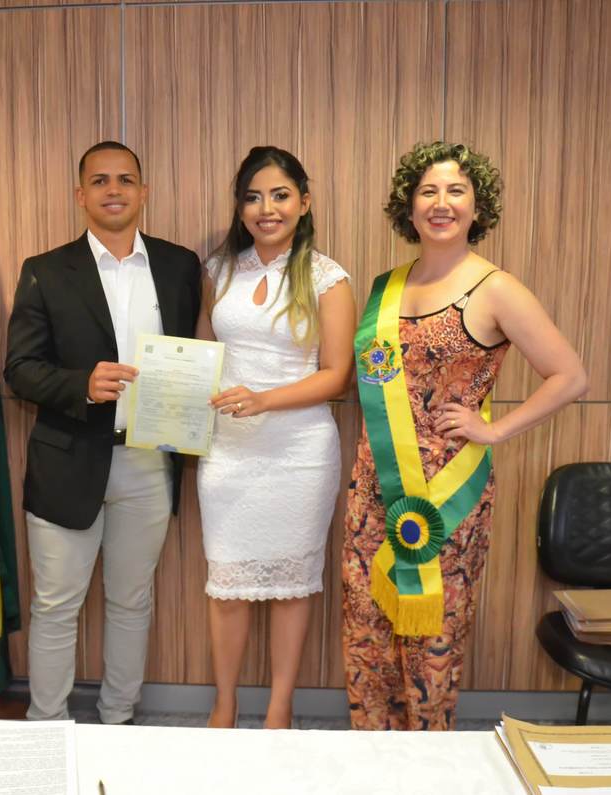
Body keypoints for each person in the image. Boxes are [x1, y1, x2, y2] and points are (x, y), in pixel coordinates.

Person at [342, 142, 588, 730]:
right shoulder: (387, 287)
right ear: (409, 206)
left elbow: (570, 376)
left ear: (478, 207)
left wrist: (495, 428)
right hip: (373, 488)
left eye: (456, 191)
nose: (441, 203)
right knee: (367, 633)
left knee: (432, 638)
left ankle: (429, 763)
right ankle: (371, 757)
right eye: (427, 191)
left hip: (446, 497)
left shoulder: (495, 288)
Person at [5, 141, 201, 724]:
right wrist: (81, 385)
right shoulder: (44, 270)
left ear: (144, 192)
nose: (113, 190)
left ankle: (119, 720)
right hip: (67, 460)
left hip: (149, 460)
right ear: (80, 195)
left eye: (125, 180)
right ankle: (47, 726)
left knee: (132, 601)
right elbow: (19, 368)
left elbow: (194, 352)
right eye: (99, 181)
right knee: (55, 605)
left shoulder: (180, 265)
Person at [195, 146, 355, 730]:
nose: (267, 209)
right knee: (227, 582)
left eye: (281, 195)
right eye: (253, 197)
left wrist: (264, 399)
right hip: (227, 449)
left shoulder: (327, 277)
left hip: (299, 451)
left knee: (292, 585)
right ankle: (224, 707)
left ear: (304, 202)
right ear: (240, 207)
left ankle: (280, 711)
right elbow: (203, 355)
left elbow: (337, 375)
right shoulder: (218, 270)